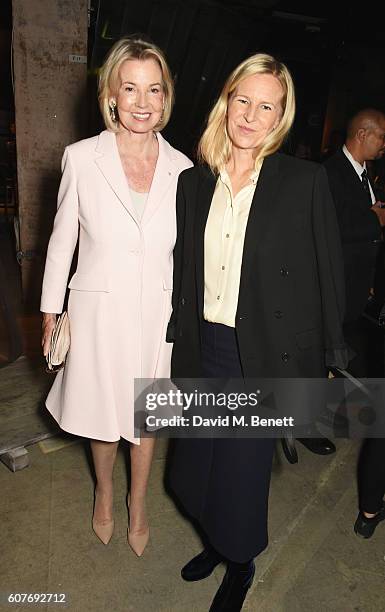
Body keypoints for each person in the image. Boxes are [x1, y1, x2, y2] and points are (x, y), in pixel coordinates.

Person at [167, 53, 347, 611]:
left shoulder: (304, 180)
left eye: (265, 105)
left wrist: (329, 358)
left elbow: (327, 273)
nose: (250, 114)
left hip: (261, 355)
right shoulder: (194, 182)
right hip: (207, 346)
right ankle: (218, 544)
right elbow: (184, 272)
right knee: (192, 475)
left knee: (240, 478)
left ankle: (239, 562)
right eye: (242, 99)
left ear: (280, 117)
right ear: (226, 102)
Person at [40, 37, 192, 554]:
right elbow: (61, 242)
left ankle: (139, 502)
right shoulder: (82, 158)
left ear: (166, 96)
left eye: (153, 89)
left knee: (146, 414)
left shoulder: (184, 169)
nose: (142, 101)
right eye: (130, 88)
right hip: (97, 311)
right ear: (112, 94)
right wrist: (50, 311)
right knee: (104, 414)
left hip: (158, 313)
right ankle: (105, 491)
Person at [324, 108, 385, 539]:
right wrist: (374, 220)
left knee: (344, 356)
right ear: (363, 134)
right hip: (336, 285)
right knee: (327, 355)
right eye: (381, 138)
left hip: (358, 288)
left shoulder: (366, 173)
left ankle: (333, 414)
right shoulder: (331, 173)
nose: (384, 146)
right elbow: (333, 228)